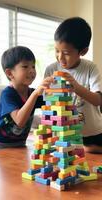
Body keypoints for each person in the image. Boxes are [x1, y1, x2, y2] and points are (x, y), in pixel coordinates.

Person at [44, 17, 102, 153]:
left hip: (91, 133)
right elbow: (47, 101)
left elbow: (98, 100)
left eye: (66, 53)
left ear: (83, 51)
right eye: (57, 51)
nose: (60, 57)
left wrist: (75, 86)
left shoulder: (90, 68)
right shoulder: (51, 69)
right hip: (63, 133)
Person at [0, 46, 54, 148]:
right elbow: (19, 121)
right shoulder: (7, 94)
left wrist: (55, 91)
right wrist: (35, 94)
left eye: (33, 66)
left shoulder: (33, 93)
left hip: (19, 145)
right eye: (25, 66)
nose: (32, 70)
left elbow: (54, 104)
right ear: (10, 73)